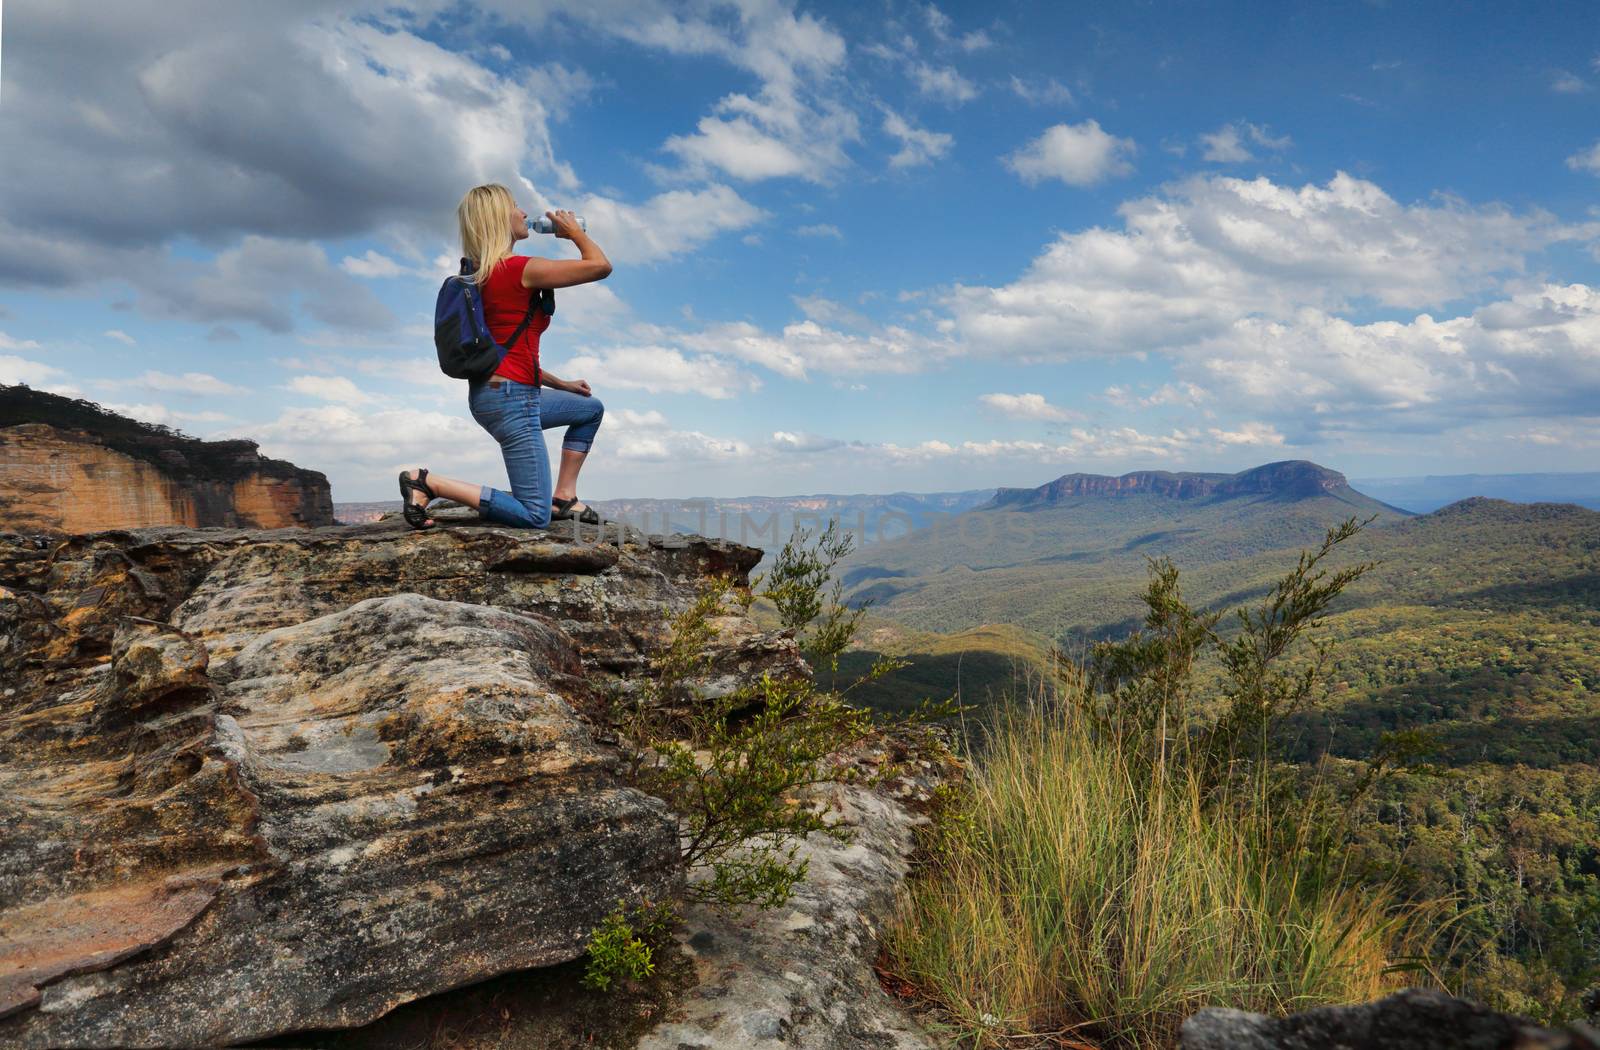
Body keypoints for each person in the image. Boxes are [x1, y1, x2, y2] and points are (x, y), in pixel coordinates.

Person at [400, 183, 613, 530]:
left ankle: (565, 495)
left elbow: (505, 349)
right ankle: (426, 482)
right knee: (533, 515)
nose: (524, 213)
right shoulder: (517, 269)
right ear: (499, 218)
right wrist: (574, 233)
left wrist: (562, 384)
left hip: (504, 394)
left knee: (590, 409)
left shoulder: (483, 272)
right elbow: (600, 266)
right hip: (513, 401)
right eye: (515, 206)